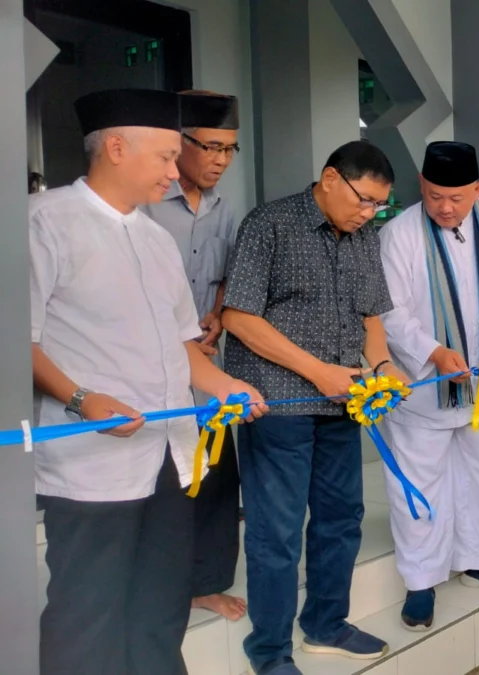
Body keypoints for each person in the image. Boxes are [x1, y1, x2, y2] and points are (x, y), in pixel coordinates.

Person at [31, 88, 265, 675]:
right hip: (92, 467)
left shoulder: (154, 238)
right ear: (115, 147)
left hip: (169, 455)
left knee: (160, 607)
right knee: (89, 613)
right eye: (164, 156)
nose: (174, 170)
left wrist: (223, 384)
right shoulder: (43, 222)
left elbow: (182, 345)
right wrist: (81, 398)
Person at [222, 140, 403, 675]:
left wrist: (385, 366)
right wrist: (317, 371)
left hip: (344, 405)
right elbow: (238, 317)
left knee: (341, 519)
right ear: (329, 178)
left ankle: (325, 624)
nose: (369, 213)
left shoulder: (364, 237)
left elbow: (371, 314)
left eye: (379, 206)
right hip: (278, 405)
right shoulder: (270, 225)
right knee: (275, 530)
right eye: (364, 200)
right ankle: (270, 652)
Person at [377, 141, 479, 631]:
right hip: (422, 388)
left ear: (477, 189)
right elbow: (389, 312)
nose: (445, 208)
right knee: (418, 484)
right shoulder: (399, 234)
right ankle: (421, 580)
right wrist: (433, 351)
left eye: (455, 198)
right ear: (421, 190)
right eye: (433, 197)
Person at [141, 89, 245, 622]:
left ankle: (204, 583)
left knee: (217, 473)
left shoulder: (228, 211)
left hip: (206, 364)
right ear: (176, 144)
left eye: (230, 149)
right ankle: (162, 584)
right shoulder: (143, 205)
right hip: (148, 365)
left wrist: (220, 314)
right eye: (210, 147)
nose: (220, 160)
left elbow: (231, 276)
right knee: (165, 478)